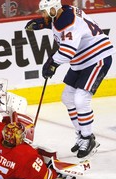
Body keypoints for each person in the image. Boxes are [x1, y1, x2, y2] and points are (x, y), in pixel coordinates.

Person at [25, 0, 115, 159]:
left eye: (45, 12)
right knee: (67, 97)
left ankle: (88, 138)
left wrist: (51, 63)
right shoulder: (64, 12)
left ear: (54, 9)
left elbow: (67, 52)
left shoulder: (67, 22)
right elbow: (64, 26)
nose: (43, 15)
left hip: (97, 58)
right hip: (82, 61)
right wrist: (44, 23)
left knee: (81, 99)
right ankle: (81, 135)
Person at [0, 79, 85, 179]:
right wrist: (57, 174)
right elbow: (44, 178)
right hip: (6, 177)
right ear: (19, 141)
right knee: (34, 158)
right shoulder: (25, 155)